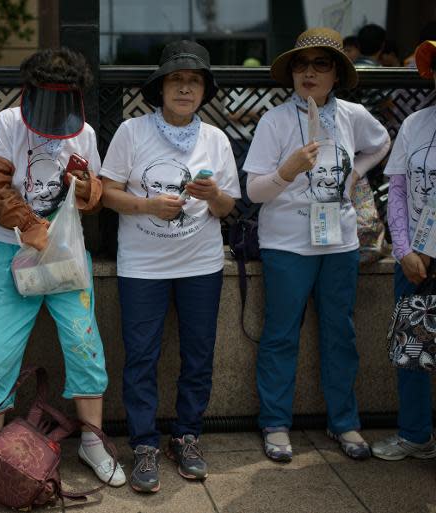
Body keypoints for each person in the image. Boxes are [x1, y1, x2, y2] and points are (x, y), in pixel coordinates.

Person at [0, 47, 126, 494]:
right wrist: (27, 223)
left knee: (83, 340)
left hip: (64, 253)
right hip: (5, 251)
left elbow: (94, 196)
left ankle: (92, 441)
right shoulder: (7, 123)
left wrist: (85, 187)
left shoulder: (85, 131)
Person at [243, 27, 390, 463]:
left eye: (320, 65)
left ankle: (344, 421)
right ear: (291, 73)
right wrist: (287, 171)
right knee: (280, 335)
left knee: (340, 334)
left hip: (340, 242)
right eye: (301, 65)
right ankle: (275, 423)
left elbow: (381, 143)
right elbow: (252, 193)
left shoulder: (352, 115)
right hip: (286, 244)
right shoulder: (274, 121)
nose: (309, 73)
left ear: (336, 73)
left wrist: (355, 174)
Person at [101, 40, 240, 492]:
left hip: (200, 262)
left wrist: (213, 196)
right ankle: (143, 444)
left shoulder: (215, 139)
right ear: (160, 88)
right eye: (176, 80)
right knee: (141, 356)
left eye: (194, 81)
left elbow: (227, 208)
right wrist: (146, 205)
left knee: (198, 355)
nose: (185, 88)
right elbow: (106, 192)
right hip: (142, 264)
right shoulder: (132, 132)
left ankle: (187, 436)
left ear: (204, 91)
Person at [372, 40, 436, 461]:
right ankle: (415, 434)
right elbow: (396, 190)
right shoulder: (415, 123)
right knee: (413, 351)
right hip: (415, 262)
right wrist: (405, 247)